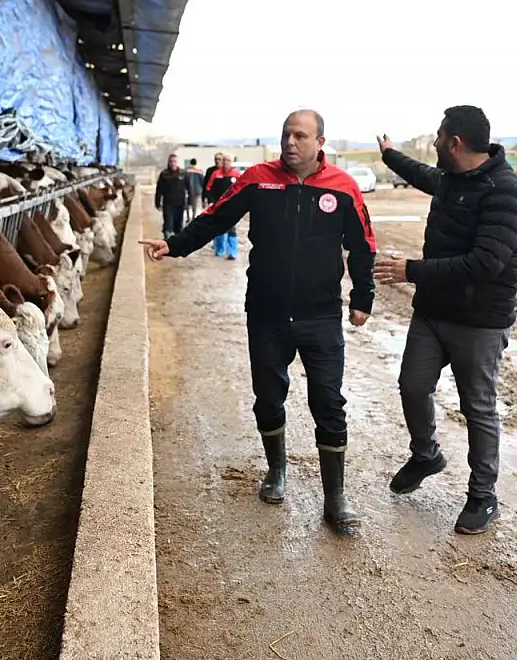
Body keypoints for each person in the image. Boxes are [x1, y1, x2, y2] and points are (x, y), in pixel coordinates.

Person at [140, 110, 377, 535]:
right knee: (268, 397)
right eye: (286, 134)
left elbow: (363, 245)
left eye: (300, 136)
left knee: (328, 401)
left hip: (321, 316)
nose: (290, 142)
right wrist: (174, 245)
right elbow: (216, 217)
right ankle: (276, 470)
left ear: (320, 142)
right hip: (266, 314)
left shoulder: (343, 188)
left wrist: (363, 298)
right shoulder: (258, 179)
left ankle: (336, 495)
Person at [374, 105, 517, 535]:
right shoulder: (451, 179)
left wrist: (412, 270)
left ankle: (483, 496)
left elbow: (486, 262)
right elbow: (425, 173)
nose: (436, 142)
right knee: (412, 385)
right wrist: (390, 155)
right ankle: (426, 455)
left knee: (477, 408)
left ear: (455, 142)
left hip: (480, 321)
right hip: (433, 313)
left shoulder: (505, 191)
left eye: (439, 136)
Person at [204, 154, 243, 258]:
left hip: (232, 206)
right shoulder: (216, 174)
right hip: (218, 205)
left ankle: (232, 252)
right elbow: (208, 188)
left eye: (228, 160)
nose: (226, 162)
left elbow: (242, 189)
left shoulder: (236, 174)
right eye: (224, 160)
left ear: (231, 162)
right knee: (219, 227)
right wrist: (211, 201)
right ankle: (219, 250)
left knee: (232, 228)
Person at [155, 154, 190, 239]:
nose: (173, 163)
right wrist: (157, 203)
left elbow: (189, 189)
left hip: (180, 203)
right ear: (169, 162)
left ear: (177, 162)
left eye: (175, 161)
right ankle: (168, 242)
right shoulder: (164, 174)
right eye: (171, 161)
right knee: (168, 224)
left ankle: (178, 244)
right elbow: (159, 190)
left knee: (178, 224)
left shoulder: (183, 173)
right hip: (168, 203)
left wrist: (189, 202)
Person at [184, 158, 205, 224]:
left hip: (188, 189)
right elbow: (202, 181)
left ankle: (188, 217)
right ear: (196, 163)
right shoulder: (200, 171)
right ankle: (193, 217)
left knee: (187, 204)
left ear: (190, 163)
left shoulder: (187, 170)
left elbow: (184, 179)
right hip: (197, 190)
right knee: (194, 204)